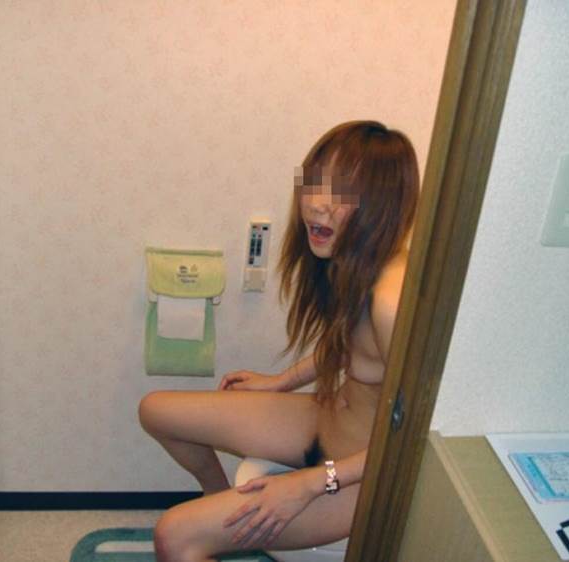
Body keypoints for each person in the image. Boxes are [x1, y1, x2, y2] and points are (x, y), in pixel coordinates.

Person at [138, 120, 419, 562]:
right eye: (315, 183)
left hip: (358, 477)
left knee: (174, 536)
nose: (318, 205)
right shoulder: (357, 261)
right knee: (155, 410)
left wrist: (310, 483)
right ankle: (219, 504)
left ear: (381, 205)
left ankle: (211, 530)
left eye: (342, 193)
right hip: (323, 421)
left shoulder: (392, 301)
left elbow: (414, 439)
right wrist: (280, 382)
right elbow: (348, 345)